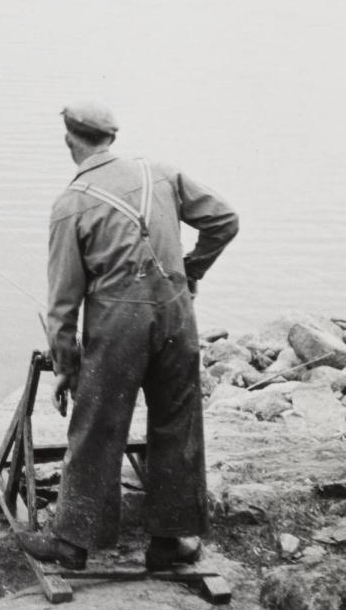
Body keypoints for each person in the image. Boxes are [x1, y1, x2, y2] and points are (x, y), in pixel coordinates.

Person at [18, 104, 239, 572]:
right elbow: (225, 220)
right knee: (177, 422)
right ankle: (168, 542)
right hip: (177, 315)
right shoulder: (159, 172)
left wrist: (65, 367)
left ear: (69, 141)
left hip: (119, 324)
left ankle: (73, 545)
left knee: (97, 424)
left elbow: (63, 303)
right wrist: (190, 271)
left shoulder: (70, 203)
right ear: (110, 138)